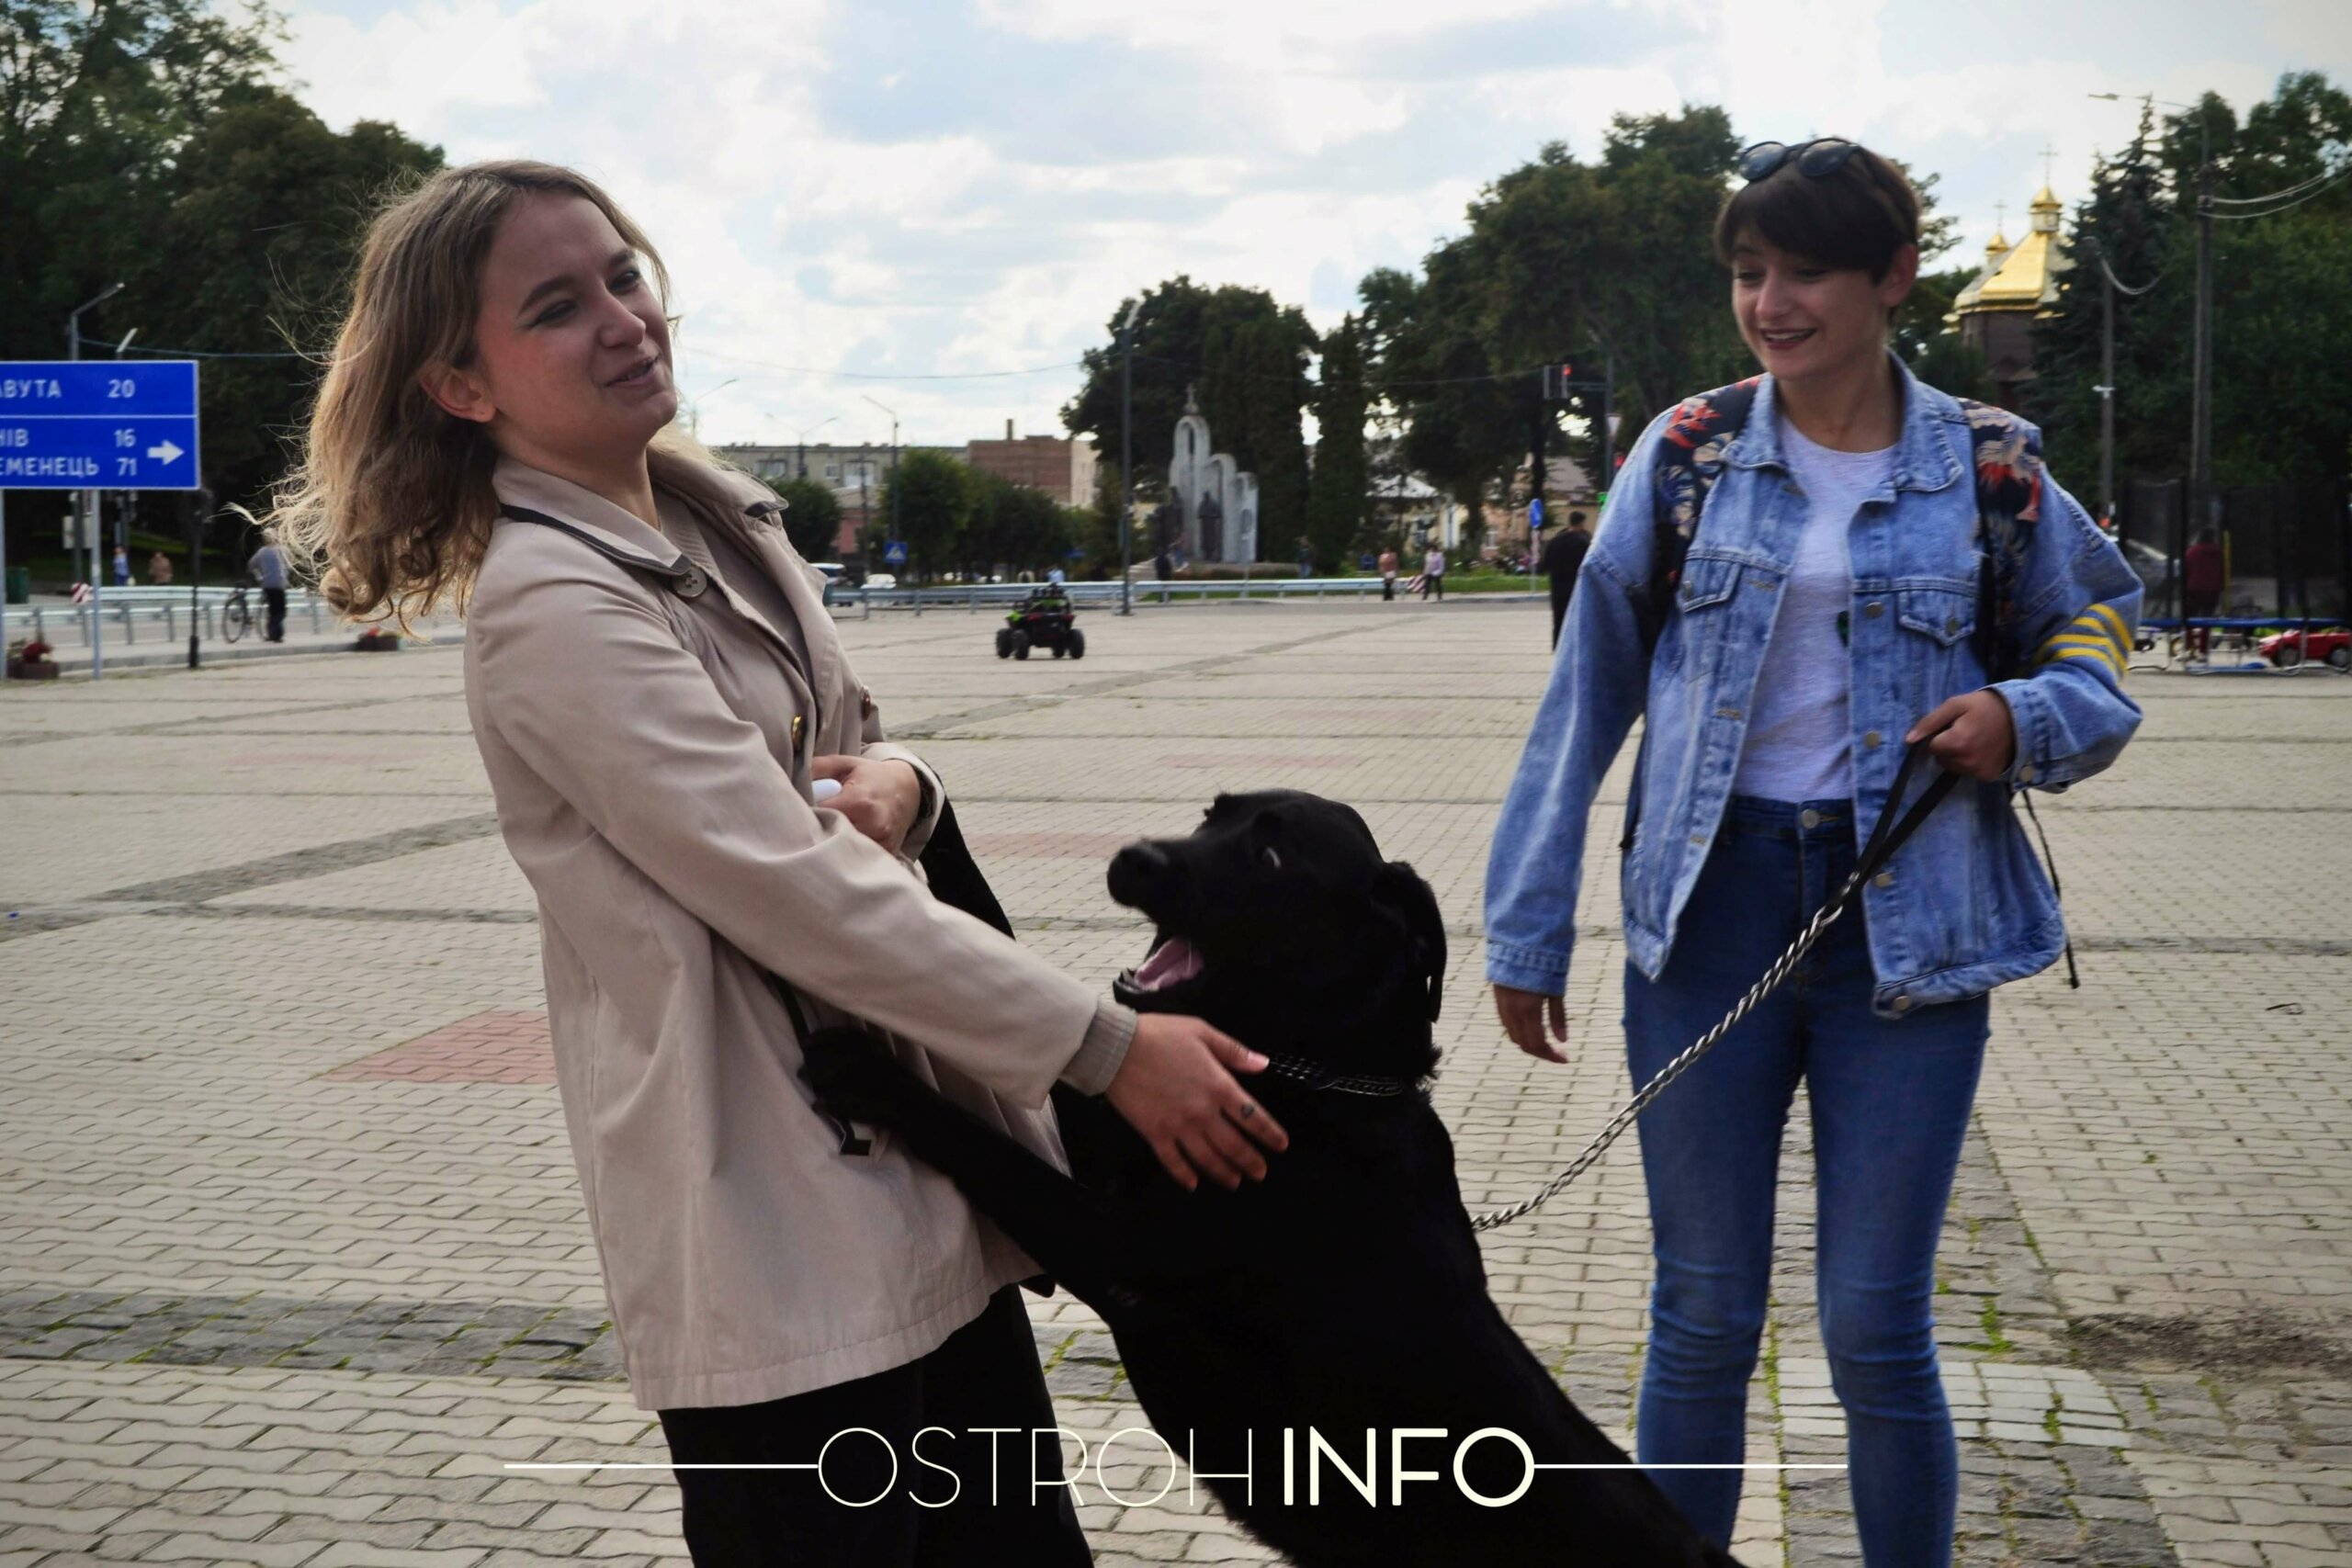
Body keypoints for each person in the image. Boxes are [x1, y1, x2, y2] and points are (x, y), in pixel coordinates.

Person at [267, 160, 1286, 1566]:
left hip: (918, 1173)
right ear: (460, 383)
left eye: (623, 274)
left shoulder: (715, 525)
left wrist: (909, 781)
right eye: (556, 308)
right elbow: (798, 888)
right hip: (774, 1221)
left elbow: (847, 763)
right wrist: (1106, 1049)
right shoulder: (552, 604)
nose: (623, 319)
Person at [1483, 139, 2141, 1565]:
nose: (1770, 303)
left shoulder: (1991, 464)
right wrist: (1525, 926)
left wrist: (2021, 714)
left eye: (1804, 273)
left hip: (1907, 929)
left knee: (1875, 1322)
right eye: (1748, 272)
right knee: (1703, 1309)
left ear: (1894, 276)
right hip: (1706, 915)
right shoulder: (1690, 451)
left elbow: (2099, 633)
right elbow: (1585, 693)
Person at [1540, 511, 1591, 649]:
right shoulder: (1583, 543)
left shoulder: (1554, 542)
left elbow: (1544, 565)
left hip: (1557, 589)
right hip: (1576, 588)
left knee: (1558, 620)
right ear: (1581, 523)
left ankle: (1558, 648)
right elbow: (1589, 566)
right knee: (1576, 621)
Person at [2183, 526, 2222, 660]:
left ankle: (2189, 648)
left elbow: (2186, 571)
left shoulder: (2191, 552)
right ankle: (2203, 651)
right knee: (2207, 620)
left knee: (2188, 619)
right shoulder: (2218, 552)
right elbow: (2222, 571)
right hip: (2212, 590)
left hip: (2193, 589)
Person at [249, 537, 289, 641]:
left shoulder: (261, 552)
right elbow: (287, 567)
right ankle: (276, 635)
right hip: (278, 585)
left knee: (272, 610)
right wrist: (285, 578)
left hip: (267, 584)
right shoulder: (281, 550)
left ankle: (272, 634)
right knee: (280, 611)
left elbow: (251, 565)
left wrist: (259, 576)